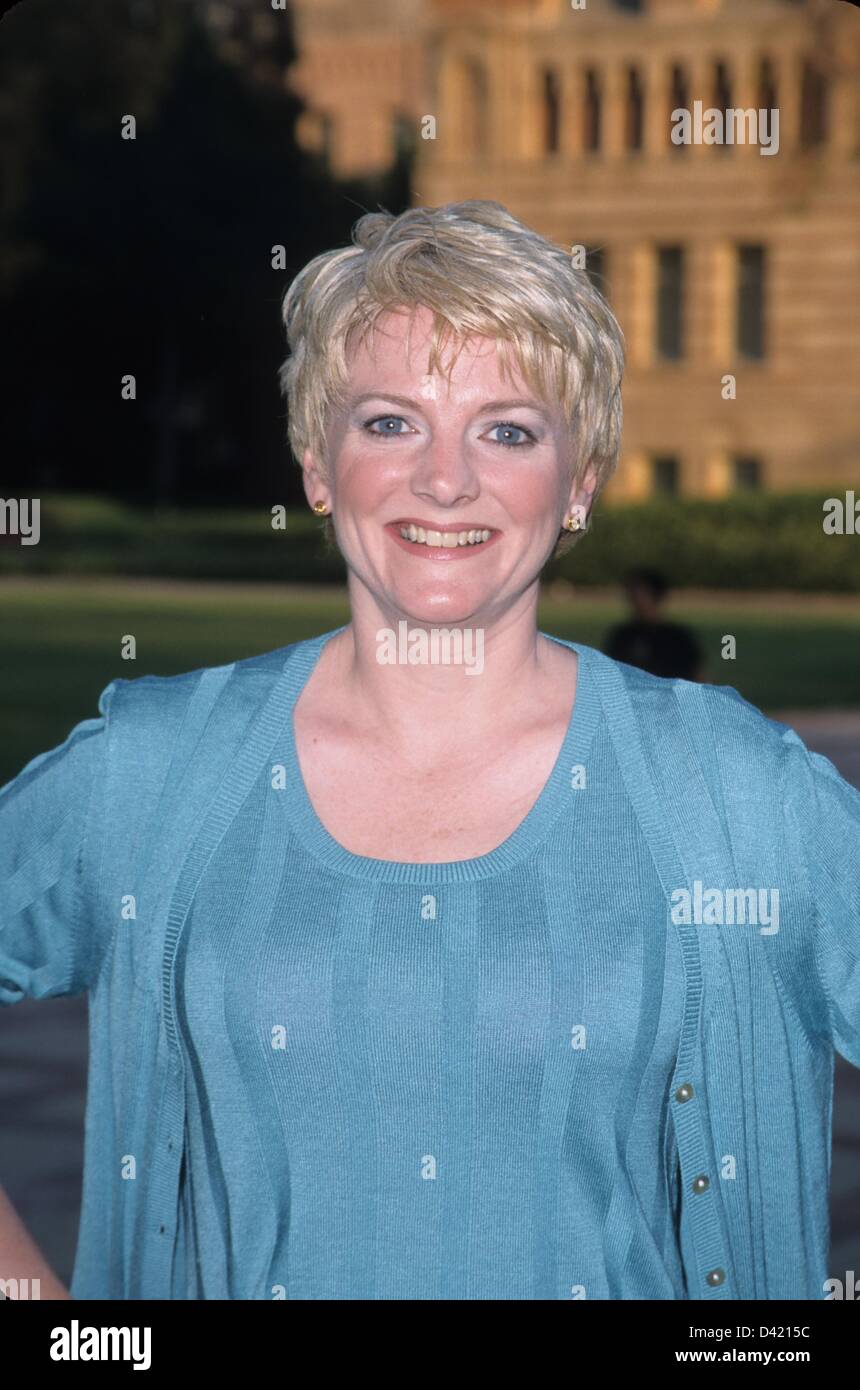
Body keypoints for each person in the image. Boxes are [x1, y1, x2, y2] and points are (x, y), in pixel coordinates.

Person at [1, 200, 858, 1302]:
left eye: (506, 429)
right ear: (316, 463)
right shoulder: (153, 771)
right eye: (389, 423)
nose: (443, 479)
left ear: (581, 479)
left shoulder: (734, 794)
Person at [604, 567, 704, 680]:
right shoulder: (622, 636)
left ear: (656, 596)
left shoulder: (679, 638)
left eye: (639, 595)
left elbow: (699, 676)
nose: (633, 600)